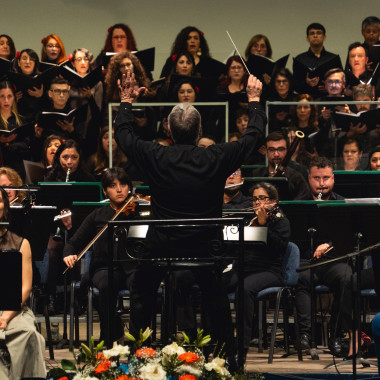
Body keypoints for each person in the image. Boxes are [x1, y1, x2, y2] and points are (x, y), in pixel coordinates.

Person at [114, 71, 266, 369]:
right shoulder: (215, 157)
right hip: (205, 247)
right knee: (216, 296)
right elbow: (254, 137)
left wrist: (126, 102)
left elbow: (124, 136)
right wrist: (254, 101)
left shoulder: (155, 155)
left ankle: (139, 356)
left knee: (141, 289)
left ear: (169, 131)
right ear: (199, 133)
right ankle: (226, 360)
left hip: (162, 246)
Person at [63, 167, 136, 343]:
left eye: (123, 185)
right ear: (105, 190)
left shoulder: (137, 211)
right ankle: (110, 337)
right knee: (106, 284)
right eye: (113, 185)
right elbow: (73, 242)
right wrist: (68, 254)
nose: (119, 190)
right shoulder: (98, 215)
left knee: (141, 284)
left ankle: (138, 340)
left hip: (133, 266)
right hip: (106, 267)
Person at [295, 157, 354, 358]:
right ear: (308, 179)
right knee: (301, 278)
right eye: (317, 178)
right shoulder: (297, 205)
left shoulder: (343, 204)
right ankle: (305, 335)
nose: (322, 183)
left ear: (333, 179)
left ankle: (337, 336)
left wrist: (329, 244)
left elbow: (350, 239)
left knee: (346, 278)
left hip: (333, 261)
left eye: (326, 178)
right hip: (306, 260)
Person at [224, 182, 290, 359]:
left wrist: (263, 225)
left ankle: (241, 347)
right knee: (214, 283)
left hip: (270, 271)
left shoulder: (281, 221)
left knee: (244, 288)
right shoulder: (246, 220)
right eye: (254, 199)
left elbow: (277, 248)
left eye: (262, 198)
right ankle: (220, 340)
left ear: (274, 201)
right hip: (243, 268)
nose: (258, 203)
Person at [0, 187, 46, 380]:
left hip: (14, 307)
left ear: (5, 206)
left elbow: (25, 288)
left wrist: (5, 317)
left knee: (28, 333)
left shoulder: (20, 243)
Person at [160, 26, 226, 92]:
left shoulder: (208, 62)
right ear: (183, 41)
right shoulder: (172, 60)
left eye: (196, 38)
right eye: (189, 38)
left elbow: (226, 70)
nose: (192, 41)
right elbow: (162, 82)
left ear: (200, 42)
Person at [251, 131, 309, 200]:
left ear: (287, 151)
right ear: (266, 151)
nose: (276, 154)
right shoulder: (256, 175)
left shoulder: (296, 178)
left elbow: (302, 203)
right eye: (272, 150)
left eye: (280, 149)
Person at [293, 23, 338, 98]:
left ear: (324, 37)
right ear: (307, 38)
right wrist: (306, 83)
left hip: (328, 100)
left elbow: (340, 82)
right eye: (312, 33)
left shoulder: (333, 59)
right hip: (306, 102)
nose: (315, 36)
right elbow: (294, 85)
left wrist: (328, 87)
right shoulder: (299, 59)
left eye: (319, 33)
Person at [0, 81, 29, 176]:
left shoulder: (21, 120)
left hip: (18, 168)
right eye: (2, 96)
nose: (6, 100)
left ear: (14, 98)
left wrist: (11, 145)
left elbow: (27, 144)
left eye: (9, 96)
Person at [12, 48, 45, 122]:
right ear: (19, 62)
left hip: (37, 120)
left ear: (35, 63)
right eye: (24, 58)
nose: (27, 62)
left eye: (31, 59)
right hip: (16, 120)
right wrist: (13, 100)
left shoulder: (42, 79)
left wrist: (41, 96)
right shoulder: (11, 80)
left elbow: (47, 106)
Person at [266, 68, 294, 132]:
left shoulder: (296, 100)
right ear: (274, 83)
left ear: (290, 82)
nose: (281, 85)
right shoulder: (268, 102)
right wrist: (276, 119)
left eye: (284, 81)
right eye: (278, 81)